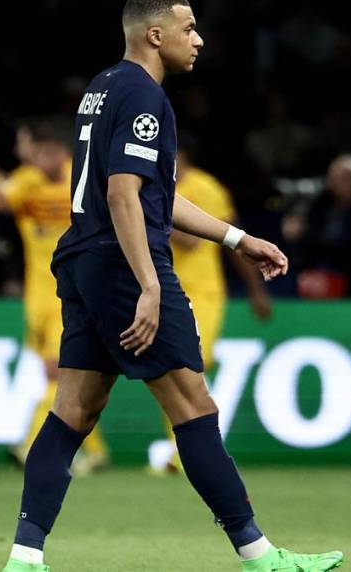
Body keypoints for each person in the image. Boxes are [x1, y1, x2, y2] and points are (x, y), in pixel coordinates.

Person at [2, 0, 344, 571]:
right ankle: (261, 557)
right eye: (188, 28)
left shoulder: (102, 87)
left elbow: (154, 191)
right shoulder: (144, 96)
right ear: (156, 35)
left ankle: (25, 558)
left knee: (72, 412)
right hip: (122, 263)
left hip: (84, 257)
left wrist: (237, 239)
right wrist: (150, 286)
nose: (199, 39)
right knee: (193, 406)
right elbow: (122, 194)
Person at [0, 119, 111, 475]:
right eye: (38, 153)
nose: (42, 160)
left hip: (78, 292)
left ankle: (32, 444)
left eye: (50, 153)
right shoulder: (27, 182)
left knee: (58, 373)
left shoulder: (85, 177)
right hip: (40, 295)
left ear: (64, 153)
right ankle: (96, 450)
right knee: (65, 374)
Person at [150, 134, 273, 475]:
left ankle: (190, 450)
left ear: (180, 155)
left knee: (189, 366)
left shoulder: (206, 188)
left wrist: (256, 291)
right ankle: (181, 449)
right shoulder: (152, 186)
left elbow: (204, 241)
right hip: (161, 289)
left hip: (202, 293)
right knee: (171, 368)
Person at [281, 153, 351, 298]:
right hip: (322, 277)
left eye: (343, 178)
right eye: (333, 177)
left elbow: (350, 254)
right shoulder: (323, 207)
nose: (333, 183)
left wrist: (304, 234)